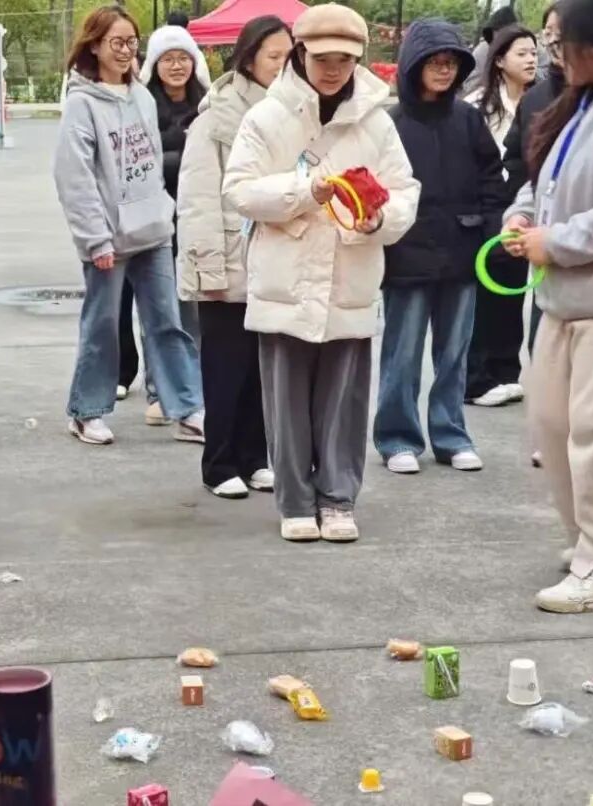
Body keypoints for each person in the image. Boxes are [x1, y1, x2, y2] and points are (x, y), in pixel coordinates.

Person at [223, 4, 420, 541]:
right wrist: (305, 191)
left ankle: (338, 499)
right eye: (322, 58)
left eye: (345, 60)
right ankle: (294, 502)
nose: (333, 70)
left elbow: (404, 191)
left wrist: (379, 217)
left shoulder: (376, 121)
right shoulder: (266, 116)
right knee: (285, 401)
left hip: (349, 276)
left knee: (344, 400)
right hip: (284, 280)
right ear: (300, 54)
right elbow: (239, 190)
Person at [54, 5, 204, 446]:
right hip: (108, 238)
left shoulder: (141, 96)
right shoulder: (81, 104)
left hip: (153, 231)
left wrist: (162, 211)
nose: (125, 51)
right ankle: (86, 411)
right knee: (102, 326)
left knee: (168, 322)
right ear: (94, 46)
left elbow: (152, 162)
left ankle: (187, 408)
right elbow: (74, 177)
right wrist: (95, 238)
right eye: (116, 42)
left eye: (131, 42)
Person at [503, 0, 593, 613]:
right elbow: (542, 179)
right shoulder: (579, 105)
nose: (552, 52)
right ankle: (587, 542)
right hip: (560, 299)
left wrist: (556, 241)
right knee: (553, 427)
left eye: (560, 41)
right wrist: (521, 217)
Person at [374, 19, 508, 476]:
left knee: (454, 354)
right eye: (434, 61)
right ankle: (397, 438)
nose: (443, 69)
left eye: (451, 62)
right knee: (402, 354)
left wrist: (492, 232)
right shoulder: (389, 123)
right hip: (406, 254)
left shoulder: (468, 119)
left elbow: (492, 178)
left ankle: (451, 436)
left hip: (462, 251)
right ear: (413, 65)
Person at [176, 15, 291, 498]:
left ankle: (254, 456)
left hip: (275, 257)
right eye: (273, 56)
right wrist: (207, 267)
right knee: (226, 367)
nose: (283, 65)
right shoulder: (217, 115)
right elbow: (198, 199)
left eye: (289, 56)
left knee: (264, 367)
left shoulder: (293, 110)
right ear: (248, 59)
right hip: (228, 256)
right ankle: (219, 462)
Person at [120, 25, 208, 426]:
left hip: (197, 220)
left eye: (183, 58)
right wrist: (183, 159)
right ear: (154, 65)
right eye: (168, 59)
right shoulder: (141, 105)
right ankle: (158, 390)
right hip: (154, 222)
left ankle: (191, 389)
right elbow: (141, 164)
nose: (176, 66)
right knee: (158, 311)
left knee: (194, 313)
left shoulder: (208, 105)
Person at [463, 24, 538, 407]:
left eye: (534, 52)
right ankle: (479, 376)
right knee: (488, 293)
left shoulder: (542, 99)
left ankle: (507, 371)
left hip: (524, 205)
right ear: (500, 60)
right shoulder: (479, 105)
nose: (531, 59)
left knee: (515, 286)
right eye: (522, 53)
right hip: (489, 205)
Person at [503, 3, 564, 357]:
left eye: (563, 35)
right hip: (547, 256)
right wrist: (521, 212)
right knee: (544, 354)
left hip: (588, 266)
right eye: (549, 36)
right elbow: (527, 168)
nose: (555, 44)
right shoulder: (536, 98)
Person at [464, 4, 518, 95]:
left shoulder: (529, 47)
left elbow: (541, 76)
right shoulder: (482, 51)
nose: (500, 36)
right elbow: (470, 84)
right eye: (497, 32)